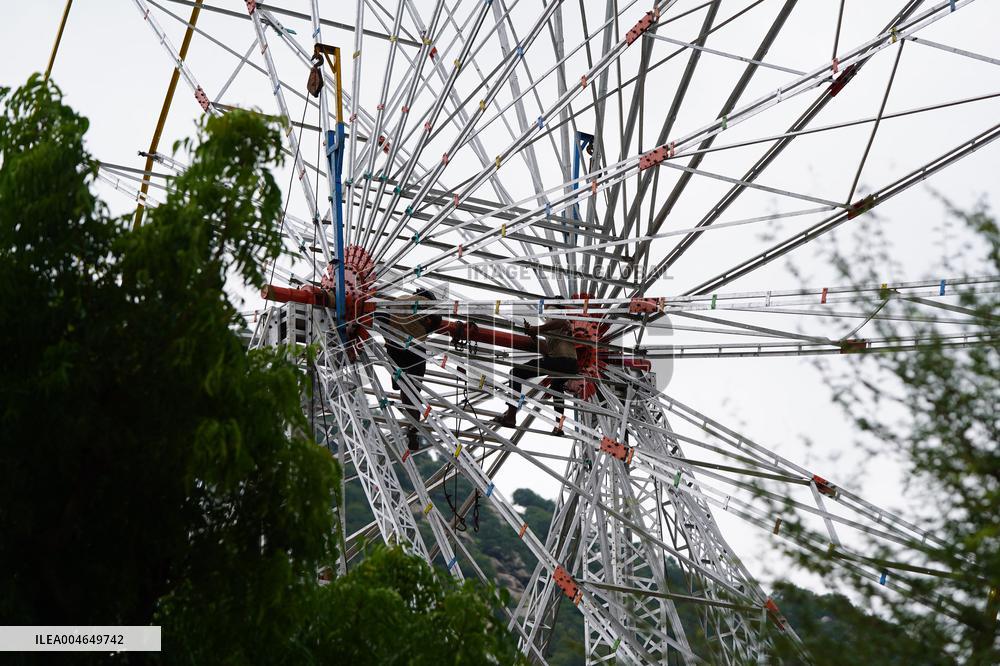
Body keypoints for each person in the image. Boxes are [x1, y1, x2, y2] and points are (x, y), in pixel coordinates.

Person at [496, 310, 579, 435]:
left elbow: (560, 321)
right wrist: (533, 336)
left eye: (549, 310)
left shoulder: (562, 321)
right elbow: (546, 351)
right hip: (568, 365)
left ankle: (511, 416)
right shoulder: (552, 329)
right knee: (556, 387)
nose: (546, 316)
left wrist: (536, 329)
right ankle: (559, 426)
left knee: (516, 373)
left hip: (561, 361)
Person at [382, 288, 442, 451]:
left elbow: (383, 315)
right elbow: (437, 320)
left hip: (397, 349)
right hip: (414, 351)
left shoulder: (401, 301)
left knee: (406, 391)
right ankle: (413, 430)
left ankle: (413, 429)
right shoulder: (425, 307)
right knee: (411, 394)